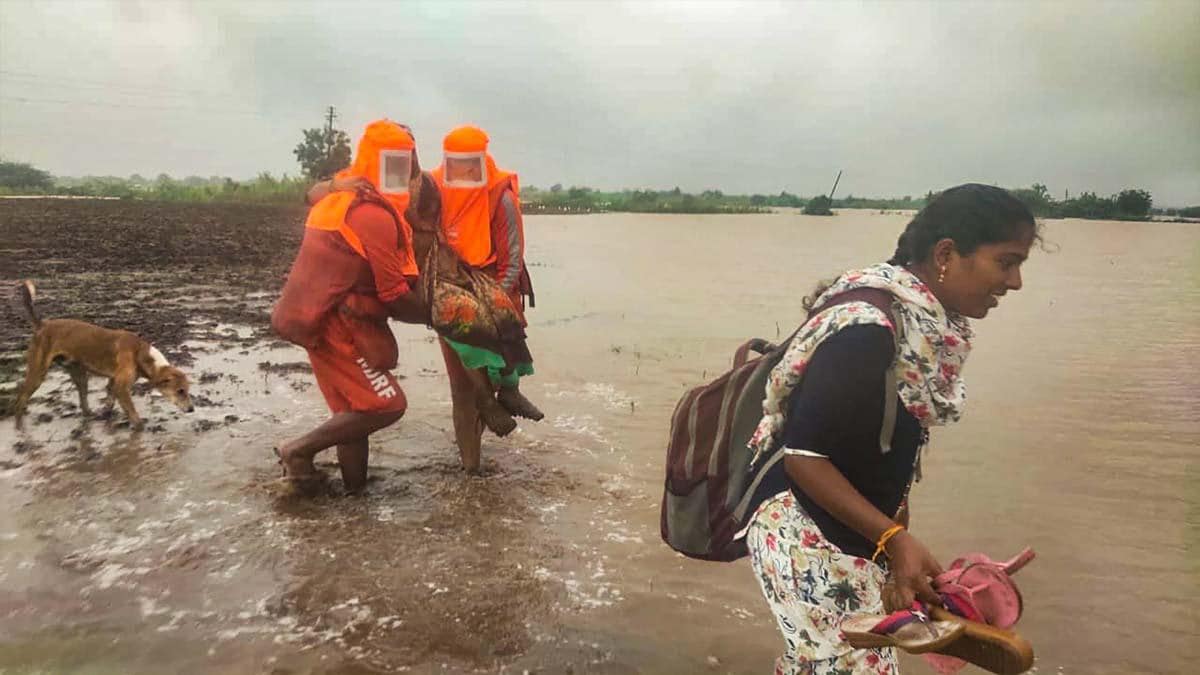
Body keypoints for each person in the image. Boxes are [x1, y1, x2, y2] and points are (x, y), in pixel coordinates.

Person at [742, 184, 1039, 674]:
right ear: (946, 253)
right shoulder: (866, 329)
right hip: (802, 532)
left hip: (851, 531)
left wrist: (897, 547)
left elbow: (882, 453)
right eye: (1006, 262)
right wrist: (895, 541)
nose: (1015, 281)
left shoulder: (919, 330)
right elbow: (804, 457)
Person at [271, 119, 427, 493]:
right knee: (387, 405)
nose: (400, 173)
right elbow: (392, 294)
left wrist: (332, 184)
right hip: (340, 325)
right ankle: (297, 452)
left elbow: (311, 192)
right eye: (395, 163)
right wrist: (440, 316)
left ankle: (355, 496)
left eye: (403, 163)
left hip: (310, 318)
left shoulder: (338, 194)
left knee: (352, 411)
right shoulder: (372, 215)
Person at [427, 125, 542, 472]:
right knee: (462, 389)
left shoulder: (500, 196)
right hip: (451, 293)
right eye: (456, 164)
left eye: (469, 164)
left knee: (497, 370)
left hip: (497, 290)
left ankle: (507, 392)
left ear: (482, 160)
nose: (462, 173)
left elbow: (512, 258)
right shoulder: (433, 190)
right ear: (446, 161)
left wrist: (491, 306)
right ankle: (471, 469)